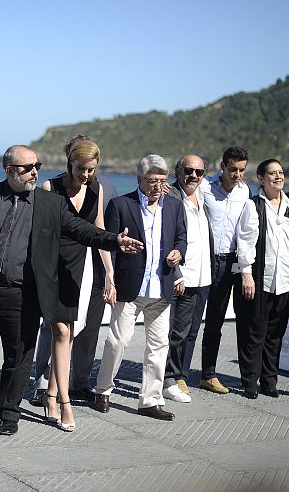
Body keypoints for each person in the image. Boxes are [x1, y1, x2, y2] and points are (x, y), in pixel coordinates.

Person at [0, 145, 143, 436]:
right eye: (27, 167)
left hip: (23, 294)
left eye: (37, 165)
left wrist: (114, 241)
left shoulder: (50, 203)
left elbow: (82, 230)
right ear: (9, 171)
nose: (35, 171)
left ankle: (8, 414)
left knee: (17, 358)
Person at [93, 155, 186, 421]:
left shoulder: (174, 206)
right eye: (151, 181)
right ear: (139, 180)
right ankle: (103, 389)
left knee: (158, 347)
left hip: (161, 287)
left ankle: (150, 400)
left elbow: (181, 237)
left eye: (161, 181)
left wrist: (178, 253)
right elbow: (108, 244)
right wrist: (108, 280)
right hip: (129, 286)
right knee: (118, 341)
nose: (157, 186)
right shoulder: (121, 205)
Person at [32, 136, 115, 432]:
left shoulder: (97, 189)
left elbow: (100, 231)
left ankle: (52, 396)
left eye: (92, 169)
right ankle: (64, 403)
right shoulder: (49, 189)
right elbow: (39, 237)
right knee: (61, 331)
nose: (87, 175)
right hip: (54, 269)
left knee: (68, 336)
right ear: (70, 163)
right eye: (82, 169)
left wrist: (109, 273)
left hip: (84, 269)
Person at [235, 159, 289, 399]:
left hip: (285, 279)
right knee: (255, 333)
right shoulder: (253, 206)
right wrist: (247, 274)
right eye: (272, 173)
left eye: (281, 172)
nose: (278, 177)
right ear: (261, 179)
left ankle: (269, 381)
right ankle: (250, 382)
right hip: (260, 279)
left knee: (275, 334)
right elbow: (245, 242)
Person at [199, 146, 250, 394]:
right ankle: (173, 374)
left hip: (230, 263)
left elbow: (245, 234)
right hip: (203, 260)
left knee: (216, 321)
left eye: (241, 170)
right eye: (233, 169)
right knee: (188, 321)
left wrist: (244, 269)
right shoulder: (205, 186)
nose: (237, 174)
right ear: (222, 166)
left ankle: (208, 374)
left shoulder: (245, 192)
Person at [162, 155, 213, 402]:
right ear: (178, 171)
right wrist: (176, 275)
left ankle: (177, 375)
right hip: (180, 275)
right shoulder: (169, 196)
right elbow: (166, 238)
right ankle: (167, 379)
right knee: (170, 331)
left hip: (201, 276)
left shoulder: (204, 196)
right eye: (188, 170)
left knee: (187, 331)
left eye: (199, 172)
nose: (193, 175)